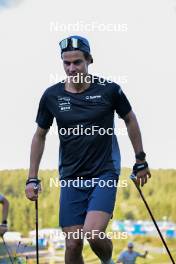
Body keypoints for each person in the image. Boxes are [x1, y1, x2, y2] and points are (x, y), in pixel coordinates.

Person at [25, 35, 151, 264]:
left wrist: (140, 160)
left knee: (93, 234)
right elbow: (39, 136)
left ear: (89, 60)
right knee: (73, 243)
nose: (72, 68)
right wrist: (31, 178)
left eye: (77, 62)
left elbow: (130, 119)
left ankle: (107, 261)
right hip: (71, 176)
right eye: (67, 63)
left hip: (104, 171)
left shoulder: (109, 90)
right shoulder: (52, 96)